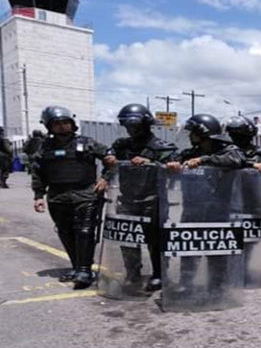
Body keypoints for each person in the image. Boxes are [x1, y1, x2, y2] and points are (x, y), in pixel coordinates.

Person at [31, 106, 112, 289]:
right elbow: (38, 172)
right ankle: (77, 267)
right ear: (49, 126)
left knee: (84, 232)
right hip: (57, 197)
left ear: (72, 124)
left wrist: (105, 178)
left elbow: (110, 159)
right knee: (65, 232)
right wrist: (38, 196)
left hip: (85, 194)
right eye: (57, 124)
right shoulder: (44, 147)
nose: (61, 126)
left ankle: (84, 270)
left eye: (65, 122)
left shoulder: (87, 142)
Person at [166, 114, 246, 295]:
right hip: (192, 207)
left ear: (203, 133)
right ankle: (186, 283)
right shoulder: (190, 152)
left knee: (217, 249)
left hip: (217, 208)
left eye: (192, 133)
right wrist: (171, 164)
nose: (189, 136)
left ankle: (217, 286)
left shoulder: (228, 149)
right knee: (189, 247)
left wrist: (204, 160)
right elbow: (172, 159)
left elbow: (237, 160)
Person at [104, 103, 179, 292]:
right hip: (127, 198)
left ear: (146, 125)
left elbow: (175, 168)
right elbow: (110, 163)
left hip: (153, 199)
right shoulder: (122, 145)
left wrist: (152, 162)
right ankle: (132, 273)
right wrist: (106, 172)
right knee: (128, 238)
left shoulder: (162, 147)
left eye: (135, 125)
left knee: (155, 240)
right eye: (128, 126)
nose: (131, 129)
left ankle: (159, 274)